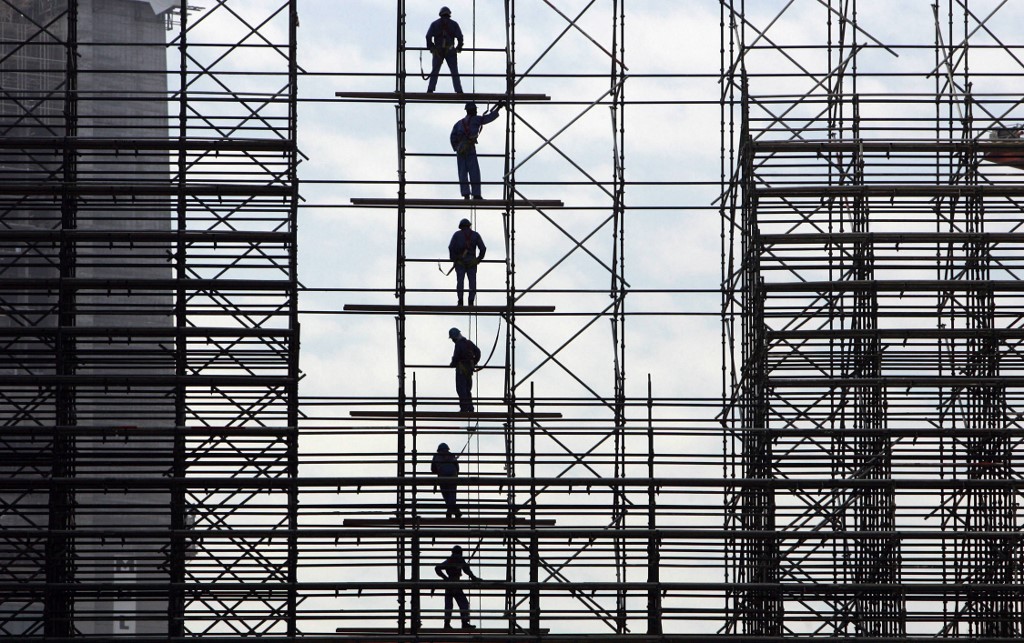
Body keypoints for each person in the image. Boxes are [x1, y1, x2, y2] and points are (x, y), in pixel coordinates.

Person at [450, 101, 503, 199]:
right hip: (469, 147)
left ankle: (466, 194)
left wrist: (456, 147)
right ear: (471, 110)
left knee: (462, 172)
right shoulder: (476, 120)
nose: (476, 111)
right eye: (475, 109)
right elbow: (488, 118)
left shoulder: (459, 123)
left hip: (461, 149)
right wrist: (498, 108)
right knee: (474, 171)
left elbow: (452, 136)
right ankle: (476, 194)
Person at [434, 545, 479, 630]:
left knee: (449, 605)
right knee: (464, 603)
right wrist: (474, 578)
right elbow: (466, 570)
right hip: (455, 584)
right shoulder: (459, 559)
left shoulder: (450, 560)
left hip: (449, 584)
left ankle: (447, 624)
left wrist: (445, 578)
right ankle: (464, 623)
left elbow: (437, 568)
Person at [448, 218, 486, 307]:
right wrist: (478, 259)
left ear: (461, 226)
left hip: (460, 262)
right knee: (472, 282)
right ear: (469, 225)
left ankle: (460, 300)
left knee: (460, 281)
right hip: (472, 262)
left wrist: (453, 259)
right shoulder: (475, 235)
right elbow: (483, 249)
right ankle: (471, 301)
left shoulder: (457, 235)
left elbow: (451, 247)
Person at [426, 7, 464, 93]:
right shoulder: (454, 24)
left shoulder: (435, 24)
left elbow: (428, 36)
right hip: (450, 51)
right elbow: (460, 37)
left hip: (438, 51)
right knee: (454, 71)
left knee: (435, 71)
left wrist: (431, 47)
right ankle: (458, 90)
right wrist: (459, 47)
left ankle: (430, 89)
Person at [448, 328, 481, 413]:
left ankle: (464, 408)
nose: (453, 340)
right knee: (467, 389)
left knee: (461, 389)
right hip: (469, 369)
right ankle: (470, 407)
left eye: (453, 339)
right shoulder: (469, 343)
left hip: (461, 370)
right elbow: (478, 352)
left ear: (456, 336)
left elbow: (456, 356)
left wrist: (452, 364)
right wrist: (474, 361)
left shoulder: (459, 344)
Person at [430, 442, 461, 518]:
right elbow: (457, 468)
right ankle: (454, 511)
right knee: (452, 494)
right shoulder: (452, 455)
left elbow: (433, 469)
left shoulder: (436, 456)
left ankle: (452, 510)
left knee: (446, 494)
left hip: (442, 476)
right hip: (453, 476)